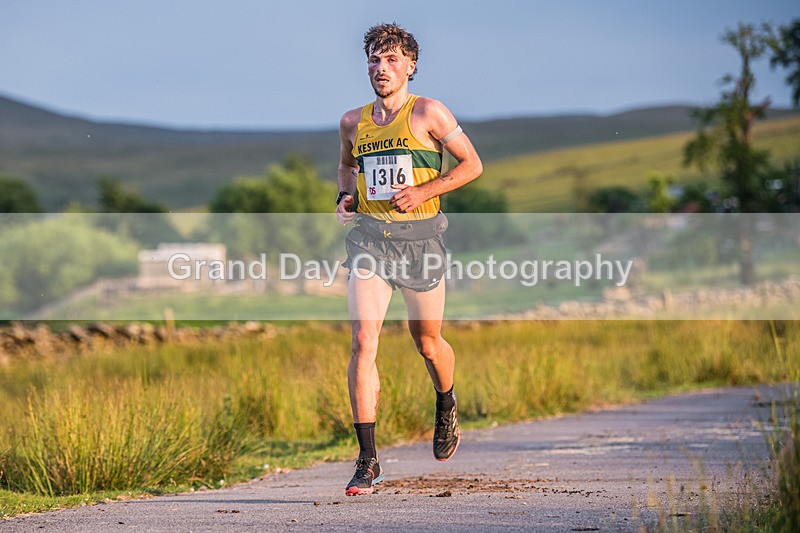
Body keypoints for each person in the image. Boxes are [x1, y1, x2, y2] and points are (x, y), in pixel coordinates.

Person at [335, 22, 483, 496]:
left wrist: (424, 190)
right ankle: (368, 460)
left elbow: (471, 165)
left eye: (392, 60)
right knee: (363, 340)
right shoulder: (351, 122)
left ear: (410, 66)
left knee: (428, 342)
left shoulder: (429, 113)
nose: (382, 68)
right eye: (375, 60)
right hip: (370, 241)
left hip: (421, 241)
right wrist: (345, 195)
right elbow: (345, 164)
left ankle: (446, 403)